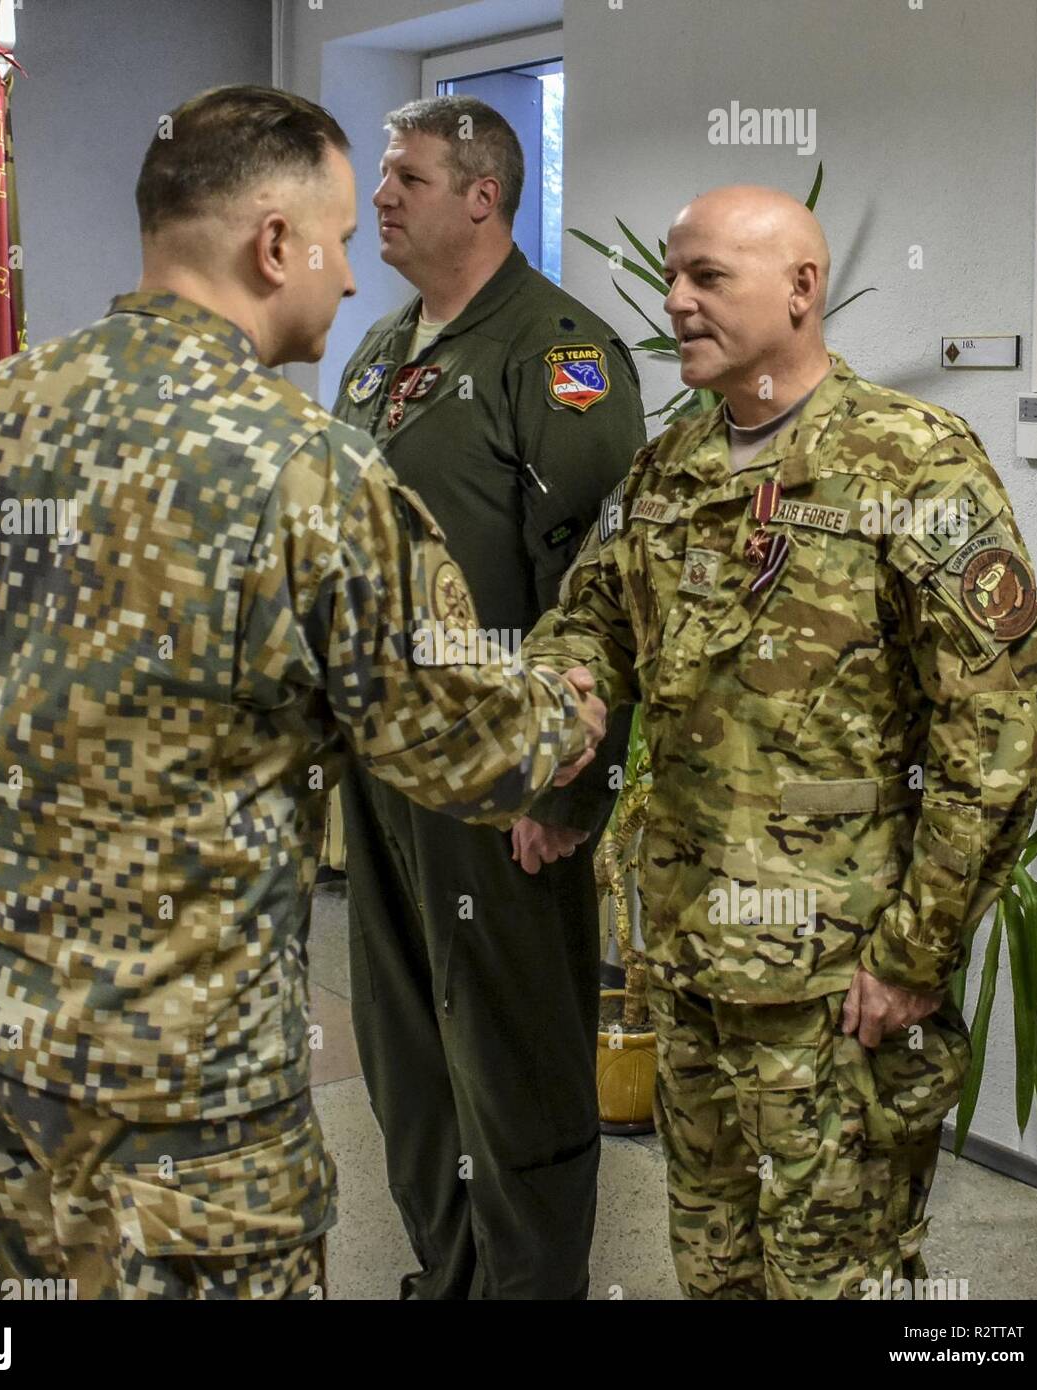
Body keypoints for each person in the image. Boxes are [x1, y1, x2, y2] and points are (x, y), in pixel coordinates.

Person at [0, 85, 606, 1302]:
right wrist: (571, 707)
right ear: (275, 246)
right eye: (340, 243)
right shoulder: (301, 466)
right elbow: (463, 740)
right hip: (194, 1147)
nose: (353, 278)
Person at [523, 184, 1037, 1299]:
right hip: (689, 961)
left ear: (801, 288)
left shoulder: (907, 460)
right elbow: (593, 620)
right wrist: (559, 698)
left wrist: (913, 954)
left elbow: (995, 726)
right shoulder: (673, 468)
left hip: (835, 982)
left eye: (705, 276)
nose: (672, 301)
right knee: (712, 1264)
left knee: (838, 1278)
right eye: (669, 275)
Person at [333, 96, 646, 1300]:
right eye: (379, 176)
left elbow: (607, 595)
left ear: (481, 193)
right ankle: (445, 1273)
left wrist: (577, 791)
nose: (380, 197)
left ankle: (525, 1288)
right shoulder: (378, 348)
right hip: (384, 762)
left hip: (510, 768)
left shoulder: (558, 356)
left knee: (513, 1054)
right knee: (404, 1043)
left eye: (405, 175)